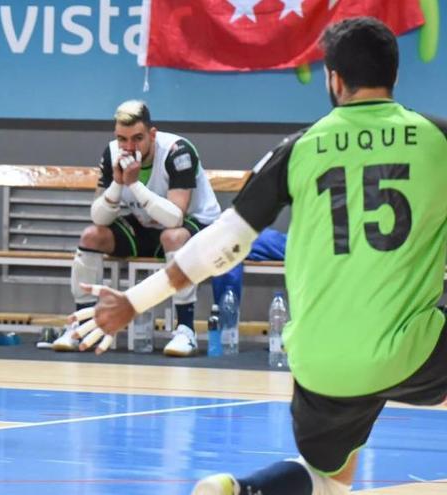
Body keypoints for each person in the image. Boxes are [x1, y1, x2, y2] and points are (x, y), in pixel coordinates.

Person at [69, 17, 447, 495]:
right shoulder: (437, 139)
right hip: (412, 345)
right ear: (394, 75)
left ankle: (242, 490)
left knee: (330, 482)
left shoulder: (299, 149)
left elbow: (220, 243)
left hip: (321, 356)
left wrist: (132, 302)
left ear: (333, 78)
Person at [54, 100, 221, 357]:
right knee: (91, 236)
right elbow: (99, 216)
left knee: (173, 237)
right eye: (122, 139)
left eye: (137, 139)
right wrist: (117, 184)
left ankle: (185, 329)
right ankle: (82, 326)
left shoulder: (178, 151)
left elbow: (175, 218)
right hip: (144, 223)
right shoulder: (112, 153)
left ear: (152, 135)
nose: (129, 147)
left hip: (196, 227)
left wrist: (133, 186)